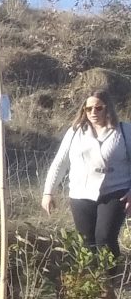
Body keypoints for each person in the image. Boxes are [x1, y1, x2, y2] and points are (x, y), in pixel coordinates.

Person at [41, 91, 130, 264]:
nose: (93, 112)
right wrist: (48, 192)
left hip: (115, 191)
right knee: (86, 242)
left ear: (107, 108)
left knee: (105, 238)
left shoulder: (124, 131)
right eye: (89, 109)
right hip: (81, 192)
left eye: (98, 108)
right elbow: (60, 162)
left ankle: (108, 278)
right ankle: (89, 278)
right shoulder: (75, 132)